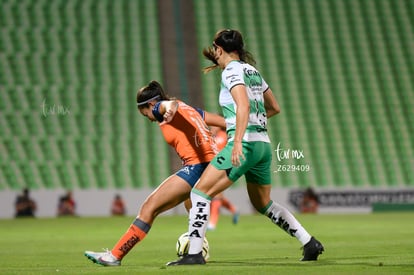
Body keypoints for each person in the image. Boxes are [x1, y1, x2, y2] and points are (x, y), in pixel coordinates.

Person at [167, 29, 324, 266]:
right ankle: (309, 242)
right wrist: (251, 126)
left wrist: (238, 139)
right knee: (263, 203)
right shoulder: (253, 71)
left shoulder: (231, 71)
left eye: (215, 49)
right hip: (263, 144)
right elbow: (274, 107)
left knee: (199, 193)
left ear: (219, 49)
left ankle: (194, 253)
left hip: (245, 144)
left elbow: (243, 104)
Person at [84, 80, 225, 266]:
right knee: (189, 203)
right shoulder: (188, 108)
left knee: (150, 207)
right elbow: (224, 121)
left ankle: (115, 256)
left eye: (146, 114)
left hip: (197, 166)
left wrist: (170, 108)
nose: (150, 119)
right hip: (213, 165)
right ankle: (196, 248)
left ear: (151, 105)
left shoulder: (161, 108)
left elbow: (169, 104)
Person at [207, 126, 239, 231]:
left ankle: (212, 223)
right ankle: (234, 210)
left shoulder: (224, 136)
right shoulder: (208, 136)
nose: (212, 127)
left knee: (216, 194)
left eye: (214, 125)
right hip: (210, 167)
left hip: (223, 166)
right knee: (213, 194)